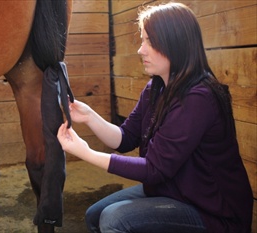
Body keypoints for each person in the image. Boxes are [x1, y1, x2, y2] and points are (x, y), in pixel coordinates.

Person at [57, 2, 253, 233]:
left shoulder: (199, 98)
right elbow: (125, 138)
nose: (141, 50)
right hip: (172, 189)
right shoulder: (156, 87)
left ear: (174, 42)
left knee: (115, 219)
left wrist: (86, 153)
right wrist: (89, 116)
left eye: (149, 41)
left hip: (212, 211)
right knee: (95, 215)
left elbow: (153, 170)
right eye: (143, 40)